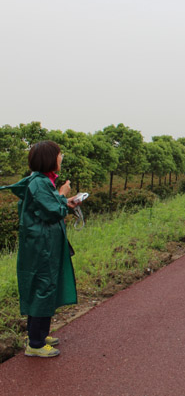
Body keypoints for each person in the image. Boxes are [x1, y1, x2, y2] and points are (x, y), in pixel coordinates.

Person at [0, 141, 79, 358]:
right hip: (42, 248)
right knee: (43, 288)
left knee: (45, 287)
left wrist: (65, 201)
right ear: (49, 158)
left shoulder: (42, 181)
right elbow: (53, 212)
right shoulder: (40, 183)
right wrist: (62, 194)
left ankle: (39, 335)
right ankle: (35, 343)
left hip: (44, 245)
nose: (61, 158)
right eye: (59, 154)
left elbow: (48, 207)